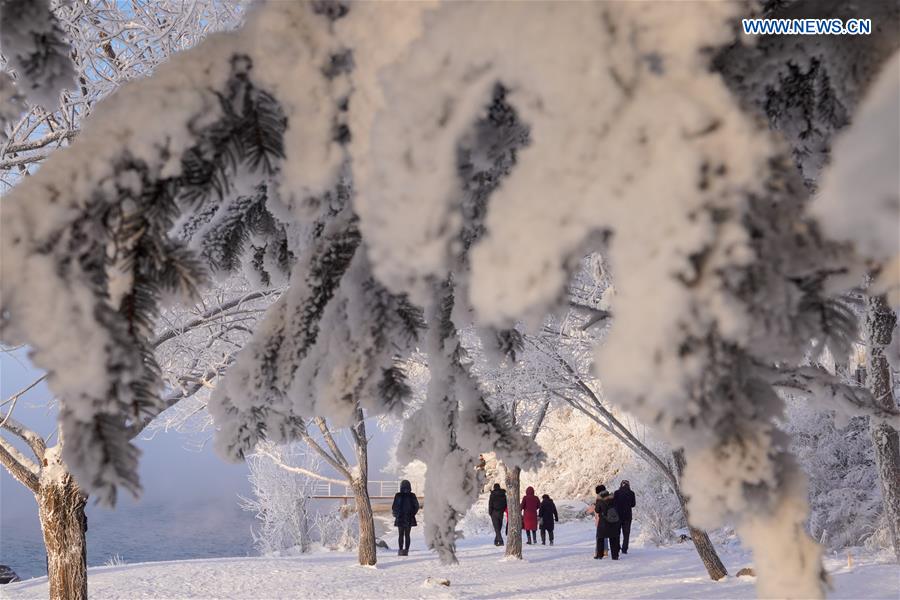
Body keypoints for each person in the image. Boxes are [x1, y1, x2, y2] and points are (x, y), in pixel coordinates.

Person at [392, 479, 420, 556]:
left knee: (400, 535)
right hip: (409, 518)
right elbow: (417, 506)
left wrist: (396, 515)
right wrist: (412, 514)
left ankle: (401, 550)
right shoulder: (412, 495)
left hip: (400, 518)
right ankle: (406, 550)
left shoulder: (398, 495)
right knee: (407, 535)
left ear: (401, 486)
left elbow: (394, 507)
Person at [595, 485, 621, 560]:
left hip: (603, 522)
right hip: (613, 521)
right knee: (613, 539)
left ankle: (600, 555)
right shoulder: (612, 497)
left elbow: (597, 510)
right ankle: (615, 556)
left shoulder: (599, 500)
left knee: (600, 538)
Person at [613, 479, 636, 554]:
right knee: (626, 534)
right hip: (627, 516)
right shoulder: (631, 493)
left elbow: (613, 503)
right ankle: (624, 549)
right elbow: (633, 504)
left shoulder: (616, 493)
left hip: (618, 516)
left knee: (617, 533)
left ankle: (617, 547)